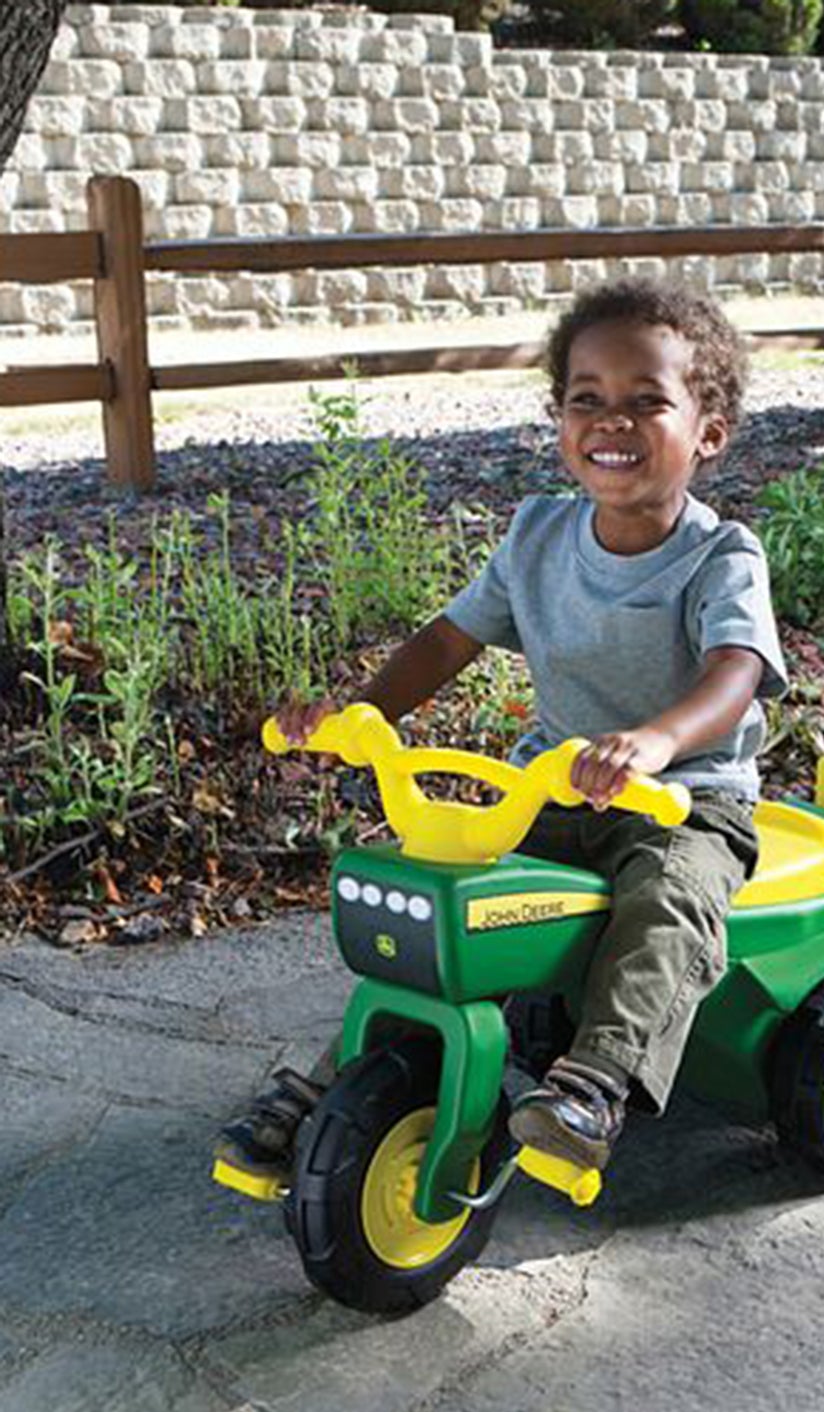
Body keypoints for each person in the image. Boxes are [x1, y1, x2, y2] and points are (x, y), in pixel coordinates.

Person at [223, 277, 787, 1176]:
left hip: (682, 800)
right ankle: (353, 1072)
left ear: (707, 432)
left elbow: (736, 675)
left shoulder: (721, 556)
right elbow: (449, 638)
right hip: (550, 791)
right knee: (446, 903)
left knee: (668, 903)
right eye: (586, 400)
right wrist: (361, 715)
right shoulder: (536, 536)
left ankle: (594, 1086)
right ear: (559, 420)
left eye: (648, 402)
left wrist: (656, 742)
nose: (613, 422)